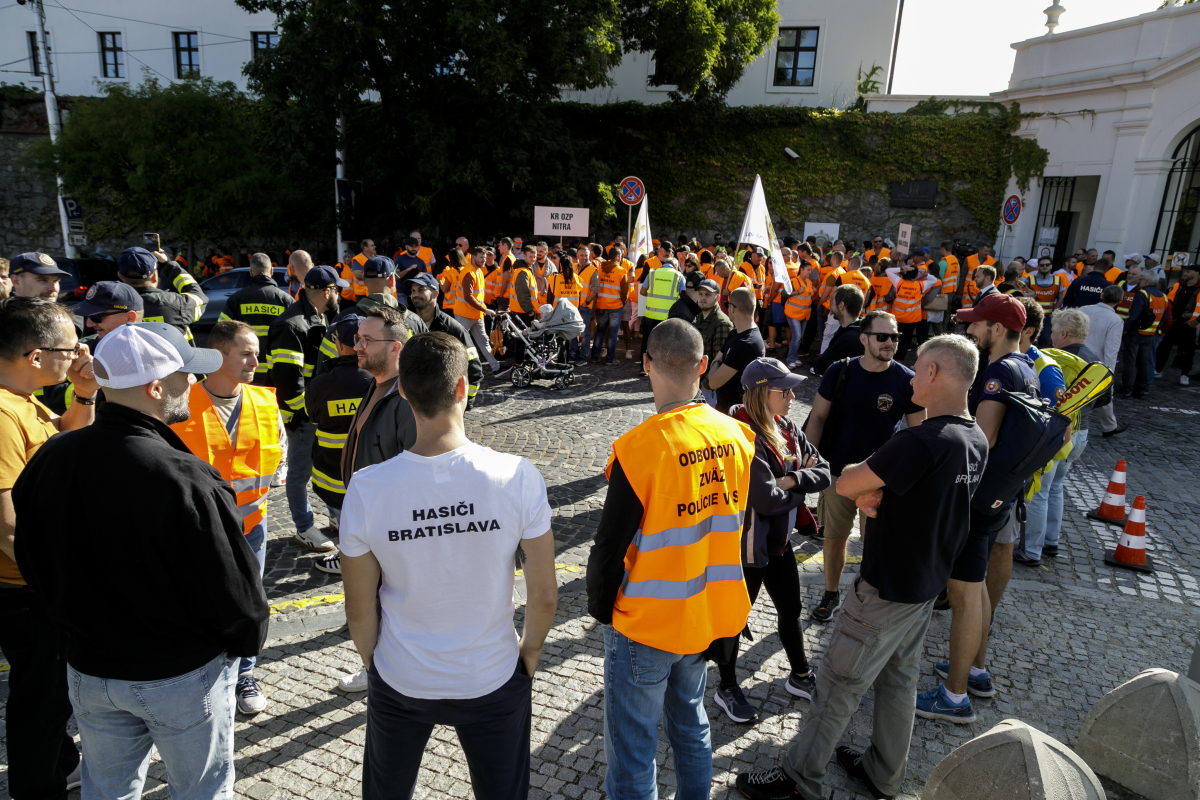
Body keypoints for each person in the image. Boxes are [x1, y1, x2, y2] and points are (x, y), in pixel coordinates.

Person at [14, 322, 268, 800]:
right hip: (178, 675)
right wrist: (238, 647)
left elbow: (31, 559)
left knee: (107, 789)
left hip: (90, 672)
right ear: (155, 388)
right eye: (184, 376)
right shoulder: (184, 476)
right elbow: (236, 593)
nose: (192, 384)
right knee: (202, 791)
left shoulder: (52, 457)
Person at [736, 335, 988, 800]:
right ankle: (883, 774)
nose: (912, 374)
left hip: (885, 588)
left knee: (836, 685)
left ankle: (797, 778)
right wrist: (879, 494)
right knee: (898, 685)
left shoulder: (920, 440)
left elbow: (847, 480)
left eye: (920, 366)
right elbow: (919, 498)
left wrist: (869, 490)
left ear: (933, 374)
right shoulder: (973, 437)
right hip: (924, 586)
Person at [340, 331, 557, 800]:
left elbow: (358, 607)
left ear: (401, 390)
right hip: (492, 672)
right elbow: (544, 595)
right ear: (462, 388)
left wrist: (374, 662)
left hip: (401, 675)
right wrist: (530, 655)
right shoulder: (518, 475)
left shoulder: (367, 487)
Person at [586, 319, 755, 800]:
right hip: (705, 614)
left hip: (647, 623)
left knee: (634, 750)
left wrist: (604, 611)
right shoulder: (737, 437)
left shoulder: (640, 450)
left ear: (645, 364)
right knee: (692, 725)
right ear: (704, 365)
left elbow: (606, 551)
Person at [918, 294, 1038, 724]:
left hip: (979, 496)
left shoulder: (998, 373)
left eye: (978, 323)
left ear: (998, 328)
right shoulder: (1028, 366)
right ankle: (975, 671)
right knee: (979, 589)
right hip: (1003, 495)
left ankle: (953, 698)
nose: (970, 330)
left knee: (965, 593)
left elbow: (980, 440)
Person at [0, 297, 98, 800]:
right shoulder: (1, 414)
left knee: (49, 696)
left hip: (33, 583)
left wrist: (83, 396)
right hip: (26, 588)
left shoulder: (23, 398)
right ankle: (37, 789)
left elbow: (61, 442)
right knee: (39, 703)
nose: (78, 353)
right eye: (69, 348)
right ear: (36, 356)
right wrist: (62, 587)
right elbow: (7, 526)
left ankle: (58, 763)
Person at [170, 319, 284, 716]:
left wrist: (279, 473)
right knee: (203, 602)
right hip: (201, 529)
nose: (257, 360)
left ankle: (245, 674)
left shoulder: (264, 400)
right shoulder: (182, 404)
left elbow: (279, 447)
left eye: (256, 351)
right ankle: (207, 677)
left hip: (253, 526)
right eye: (247, 353)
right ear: (218, 355)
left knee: (251, 602)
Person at [713, 359, 828, 724]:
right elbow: (765, 500)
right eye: (786, 390)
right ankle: (726, 685)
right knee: (734, 617)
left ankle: (800, 674)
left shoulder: (788, 426)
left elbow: (823, 470)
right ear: (762, 393)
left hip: (779, 541)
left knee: (790, 610)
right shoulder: (740, 434)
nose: (794, 396)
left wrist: (791, 481)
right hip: (744, 547)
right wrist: (797, 486)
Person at [804, 310, 926, 624]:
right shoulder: (839, 370)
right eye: (882, 336)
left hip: (879, 479)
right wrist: (810, 464)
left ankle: (867, 601)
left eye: (895, 337)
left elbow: (919, 433)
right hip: (836, 473)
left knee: (876, 543)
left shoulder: (906, 380)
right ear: (864, 339)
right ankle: (830, 594)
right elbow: (817, 417)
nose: (890, 342)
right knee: (834, 538)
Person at [269, 265, 347, 553]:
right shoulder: (292, 325)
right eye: (336, 290)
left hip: (314, 412)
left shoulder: (317, 317)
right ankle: (304, 528)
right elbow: (289, 382)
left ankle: (335, 515)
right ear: (327, 292)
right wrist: (312, 413)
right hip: (302, 417)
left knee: (323, 465)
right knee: (300, 473)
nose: (339, 294)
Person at [1016, 308, 1098, 565]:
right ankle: (1051, 540)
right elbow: (1103, 397)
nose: (1050, 335)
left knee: (1039, 491)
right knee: (1056, 488)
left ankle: (1031, 550)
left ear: (1063, 333)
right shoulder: (1093, 358)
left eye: (1052, 330)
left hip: (1060, 432)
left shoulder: (1052, 358)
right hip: (1081, 432)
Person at [306, 315, 373, 564]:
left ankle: (348, 560)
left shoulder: (321, 384)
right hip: (369, 473)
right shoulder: (379, 381)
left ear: (340, 345)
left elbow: (313, 418)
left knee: (346, 519)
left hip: (331, 474)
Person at [405, 273, 485, 408]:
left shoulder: (453, 329)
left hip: (441, 407)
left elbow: (474, 369)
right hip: (410, 405)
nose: (415, 294)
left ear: (435, 293)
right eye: (413, 291)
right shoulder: (404, 324)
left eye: (421, 289)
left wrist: (465, 404)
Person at [220, 252, 294, 385]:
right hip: (276, 369)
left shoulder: (236, 299)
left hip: (245, 369)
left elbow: (221, 333)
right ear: (271, 271)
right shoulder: (286, 300)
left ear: (250, 272)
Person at [116, 247, 205, 340]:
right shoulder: (176, 304)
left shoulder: (110, 308)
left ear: (120, 276)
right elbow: (199, 297)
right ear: (155, 276)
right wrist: (169, 265)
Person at [706, 286, 765, 414]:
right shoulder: (737, 333)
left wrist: (715, 363)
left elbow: (713, 382)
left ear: (732, 308)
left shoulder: (745, 344)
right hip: (728, 410)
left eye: (727, 304)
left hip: (734, 415)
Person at [1083, 284, 1128, 437]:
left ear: (1102, 295)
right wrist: (1110, 373)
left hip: (1078, 357)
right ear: (1120, 300)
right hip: (1098, 363)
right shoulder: (1115, 320)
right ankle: (1109, 426)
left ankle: (1109, 425)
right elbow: (1111, 350)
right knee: (1104, 394)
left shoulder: (1083, 310)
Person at [1116, 264, 1166, 399]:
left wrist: (1126, 330)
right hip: (1150, 334)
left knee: (1130, 362)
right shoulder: (1163, 297)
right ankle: (1141, 389)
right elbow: (1164, 318)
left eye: (1142, 279)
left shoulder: (1142, 294)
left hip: (1135, 333)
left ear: (1146, 281)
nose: (1141, 280)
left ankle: (1127, 389)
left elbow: (1134, 315)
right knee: (1144, 362)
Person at [455, 245, 504, 375]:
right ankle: (455, 371)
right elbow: (468, 297)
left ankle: (496, 368)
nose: (484, 260)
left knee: (484, 342)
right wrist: (485, 310)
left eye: (485, 257)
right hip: (464, 315)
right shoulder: (469, 273)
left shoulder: (477, 271)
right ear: (473, 257)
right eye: (481, 257)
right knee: (459, 344)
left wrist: (483, 310)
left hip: (476, 314)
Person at [639, 254, 687, 376]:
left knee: (647, 342)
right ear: (676, 266)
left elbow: (642, 292)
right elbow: (684, 296)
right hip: (667, 316)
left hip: (650, 314)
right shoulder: (678, 276)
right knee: (665, 343)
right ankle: (662, 370)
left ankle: (643, 367)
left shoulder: (652, 273)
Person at [693, 278, 734, 405]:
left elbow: (720, 361)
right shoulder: (699, 318)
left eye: (708, 295)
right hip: (697, 385)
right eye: (700, 294)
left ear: (717, 297)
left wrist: (706, 386)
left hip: (710, 390)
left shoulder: (722, 323)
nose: (703, 298)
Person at [1158, 263, 1200, 383]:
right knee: (1164, 348)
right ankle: (1158, 369)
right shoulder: (1178, 286)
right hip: (1174, 322)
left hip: (1189, 325)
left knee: (1187, 352)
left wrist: (1194, 323)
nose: (1185, 273)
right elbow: (1168, 302)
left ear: (1196, 273)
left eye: (1188, 271)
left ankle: (1184, 374)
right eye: (1185, 271)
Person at [813, 285, 865, 375]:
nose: (831, 306)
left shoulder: (848, 338)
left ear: (841, 306)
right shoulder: (860, 330)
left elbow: (820, 367)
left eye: (832, 301)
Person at [589, 250, 629, 365]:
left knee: (600, 332)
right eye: (620, 256)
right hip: (616, 307)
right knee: (612, 334)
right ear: (617, 257)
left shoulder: (599, 269)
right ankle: (609, 359)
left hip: (601, 305)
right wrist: (622, 302)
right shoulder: (621, 271)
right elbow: (625, 292)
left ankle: (594, 356)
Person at [74, 281, 144, 346]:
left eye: (96, 317)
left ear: (129, 318)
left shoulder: (153, 350)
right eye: (87, 316)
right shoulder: (81, 350)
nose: (89, 324)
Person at [783, 258, 816, 368]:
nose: (809, 272)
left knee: (799, 337)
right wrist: (797, 291)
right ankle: (790, 360)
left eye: (810, 270)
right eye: (807, 270)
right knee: (797, 336)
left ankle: (794, 358)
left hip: (804, 314)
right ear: (801, 269)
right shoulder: (794, 281)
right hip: (793, 313)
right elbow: (784, 293)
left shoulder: (809, 282)